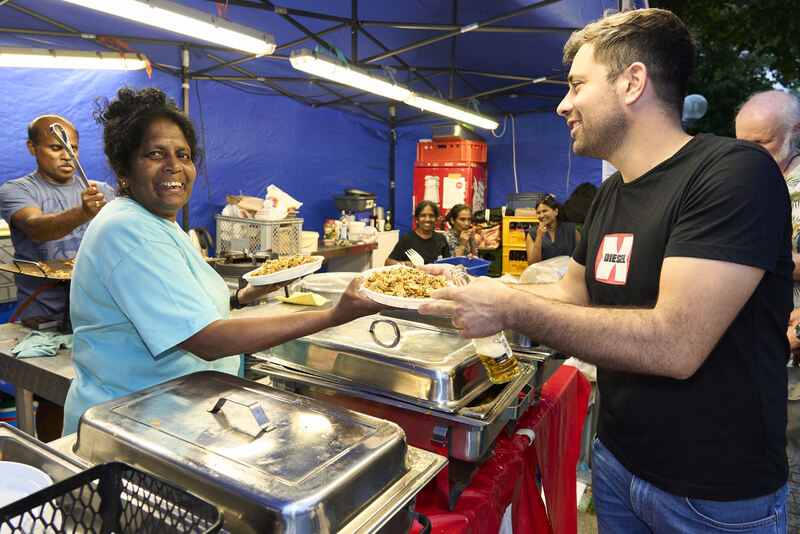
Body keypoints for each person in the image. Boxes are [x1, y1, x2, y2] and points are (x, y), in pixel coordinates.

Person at [420, 8, 791, 532]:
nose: (562, 104)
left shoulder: (733, 173)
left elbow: (675, 343)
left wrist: (508, 306)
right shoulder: (614, 190)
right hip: (617, 465)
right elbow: (574, 294)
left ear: (632, 82)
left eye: (576, 85)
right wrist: (475, 289)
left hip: (712, 495)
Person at [63, 87, 384, 435]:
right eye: (155, 153)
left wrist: (242, 297)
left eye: (183, 155)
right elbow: (207, 339)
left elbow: (177, 306)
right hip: (130, 430)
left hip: (170, 418)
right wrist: (335, 315)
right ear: (124, 168)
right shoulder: (130, 229)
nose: (174, 166)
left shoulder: (159, 223)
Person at [736, 91, 800, 469]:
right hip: (753, 359)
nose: (750, 152)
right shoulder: (745, 180)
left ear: (796, 132)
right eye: (742, 143)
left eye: (762, 142)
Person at [0, 115, 115, 320]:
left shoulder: (102, 191)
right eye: (57, 148)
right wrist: (83, 213)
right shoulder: (16, 190)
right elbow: (36, 228)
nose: (67, 155)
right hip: (42, 313)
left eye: (73, 148)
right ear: (32, 147)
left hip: (95, 310)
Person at [385, 200, 449, 266]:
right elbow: (388, 263)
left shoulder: (441, 239)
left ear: (436, 219)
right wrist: (403, 264)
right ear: (417, 219)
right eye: (423, 215)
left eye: (431, 216)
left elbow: (448, 264)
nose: (427, 219)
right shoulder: (406, 239)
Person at [525, 195, 580, 264]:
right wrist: (538, 238)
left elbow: (582, 255)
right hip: (543, 274)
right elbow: (532, 263)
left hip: (568, 273)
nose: (541, 215)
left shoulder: (571, 229)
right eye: (538, 213)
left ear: (555, 212)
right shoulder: (532, 233)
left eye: (545, 211)